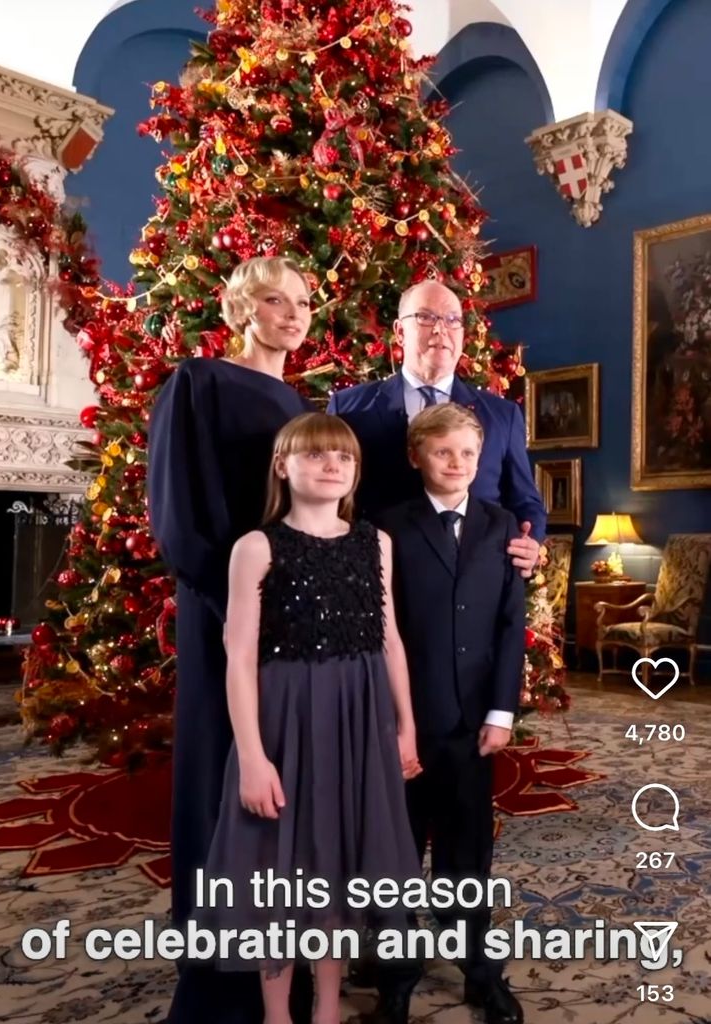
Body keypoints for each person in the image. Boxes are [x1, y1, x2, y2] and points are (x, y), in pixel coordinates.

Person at [203, 412, 422, 1024]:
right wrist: (251, 756)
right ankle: (279, 1014)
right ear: (283, 465)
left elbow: (390, 640)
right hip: (285, 722)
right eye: (318, 455)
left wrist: (405, 725)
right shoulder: (257, 547)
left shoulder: (375, 542)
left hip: (360, 719)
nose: (333, 466)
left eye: (345, 458)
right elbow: (239, 657)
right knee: (281, 862)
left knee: (342, 861)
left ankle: (326, 1007)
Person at [147, 256, 315, 1024]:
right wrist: (239, 601)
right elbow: (180, 513)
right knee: (226, 776)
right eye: (277, 300)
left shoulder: (299, 400)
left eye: (304, 301)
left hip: (294, 618)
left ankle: (281, 965)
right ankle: (220, 982)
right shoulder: (200, 382)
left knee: (282, 787)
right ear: (245, 308)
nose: (294, 312)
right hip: (225, 609)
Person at [377, 403, 526, 1024]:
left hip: (473, 723)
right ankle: (396, 973)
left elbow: (509, 626)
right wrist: (388, 719)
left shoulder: (503, 528)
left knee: (468, 851)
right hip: (405, 720)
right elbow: (380, 631)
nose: (457, 464)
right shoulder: (386, 527)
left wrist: (502, 712)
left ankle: (477, 969)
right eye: (443, 452)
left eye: (468, 453)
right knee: (397, 852)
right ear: (417, 457)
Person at [326, 279, 545, 576]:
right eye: (426, 317)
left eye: (452, 320)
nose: (440, 329)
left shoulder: (502, 415)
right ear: (400, 332)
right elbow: (333, 500)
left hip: (473, 580)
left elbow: (525, 501)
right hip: (378, 577)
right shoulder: (349, 407)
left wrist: (530, 543)